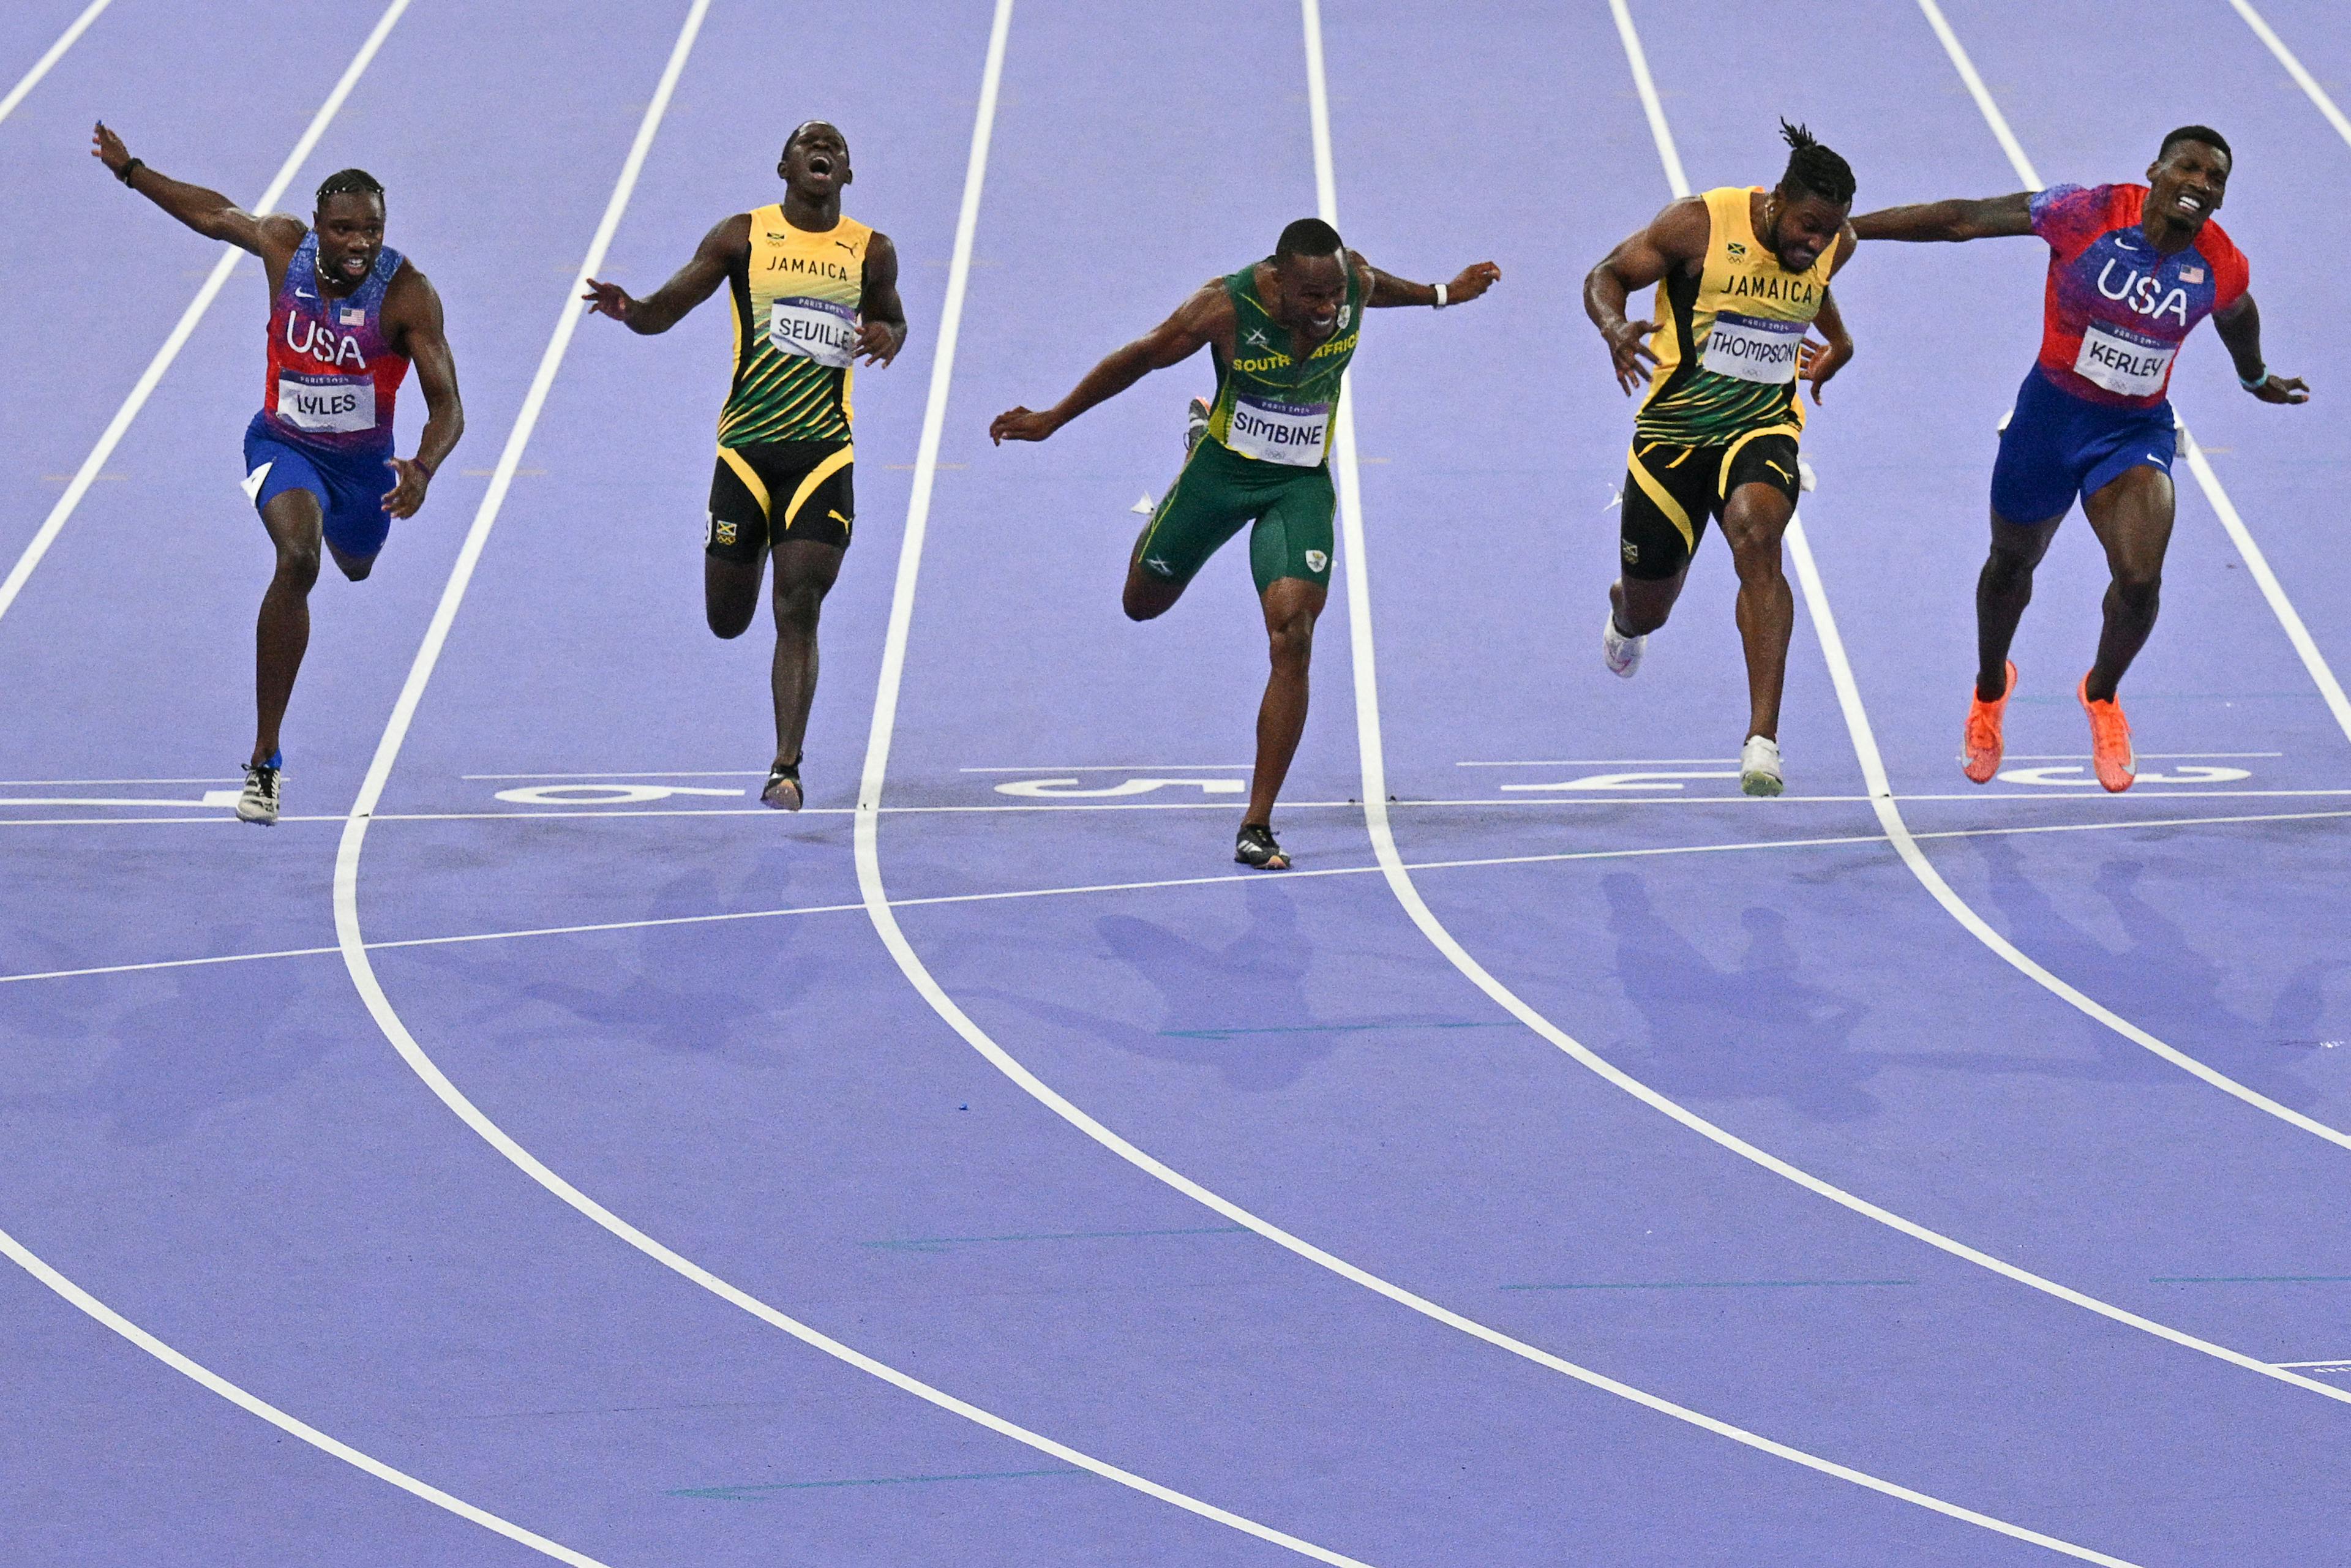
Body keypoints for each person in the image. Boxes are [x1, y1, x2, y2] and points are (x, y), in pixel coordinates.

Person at [989, 219, 1499, 869]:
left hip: (1298, 484)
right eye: (1312, 297)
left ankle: (1256, 824)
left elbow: (1378, 286)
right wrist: (1052, 419)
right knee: (1141, 603)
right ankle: (1196, 442)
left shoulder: (1355, 285)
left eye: (1335, 296)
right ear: (1280, 282)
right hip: (1222, 474)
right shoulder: (1223, 308)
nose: (1327, 310)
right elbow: (1141, 358)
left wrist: (1443, 293)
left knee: (1294, 635)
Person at [1851, 126, 2307, 791]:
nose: (2201, 184)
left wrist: (2255, 377)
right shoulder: (2085, 213)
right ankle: (1989, 688)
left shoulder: (2219, 261)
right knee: (2010, 565)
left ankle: (2101, 693)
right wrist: (1850, 230)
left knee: (2141, 580)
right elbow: (1963, 221)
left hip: (2132, 433)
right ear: (2155, 170)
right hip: (2048, 421)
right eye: (2189, 167)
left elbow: (2235, 313)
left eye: (2216, 179)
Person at [92, 122, 463, 827]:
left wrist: (422, 465)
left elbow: (449, 405)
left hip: (364, 471)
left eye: (373, 231)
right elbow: (215, 214)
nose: (360, 244)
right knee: (298, 559)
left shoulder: (407, 294)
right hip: (282, 446)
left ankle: (349, 535)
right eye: (346, 230)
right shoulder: (283, 248)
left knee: (355, 563)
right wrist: (132, 170)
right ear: (317, 227)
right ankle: (265, 761)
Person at [583, 120, 906, 810]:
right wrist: (631, 309)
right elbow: (669, 307)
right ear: (783, 165)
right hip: (745, 453)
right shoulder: (743, 236)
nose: (824, 149)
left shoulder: (871, 252)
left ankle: (785, 767)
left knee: (799, 605)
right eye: (809, 143)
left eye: (838, 147)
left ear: (846, 175)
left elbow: (894, 321)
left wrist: (890, 334)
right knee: (728, 619)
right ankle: (756, 546)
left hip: (822, 455)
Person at [1584, 121, 1856, 797]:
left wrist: (1840, 342)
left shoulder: (1832, 243)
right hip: (1673, 436)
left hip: (1763, 425)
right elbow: (1608, 274)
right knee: (1651, 606)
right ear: (1776, 202)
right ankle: (1627, 615)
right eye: (1808, 228)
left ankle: (1761, 740)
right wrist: (1616, 327)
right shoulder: (1699, 224)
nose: (1817, 243)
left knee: (1758, 536)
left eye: (1829, 233)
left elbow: (1811, 288)